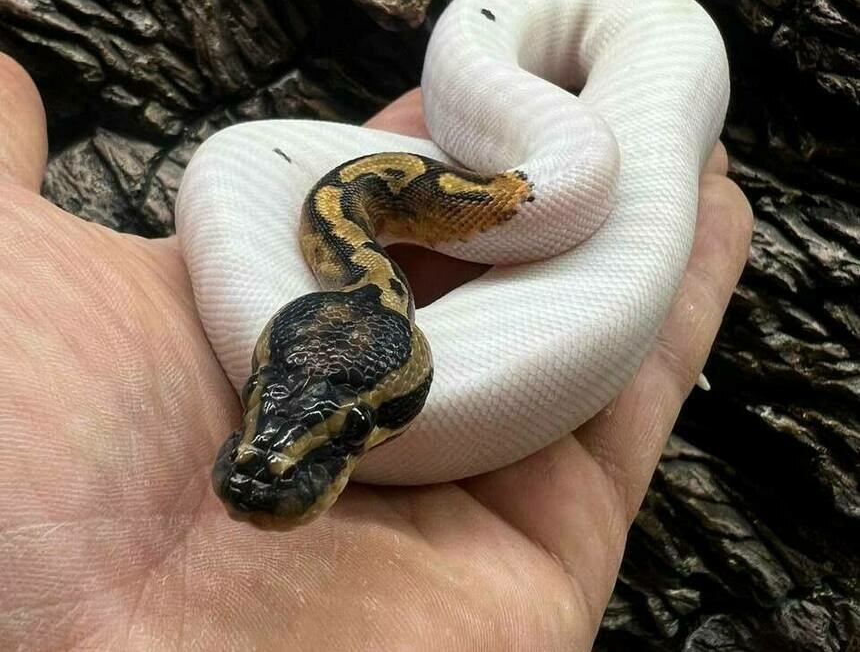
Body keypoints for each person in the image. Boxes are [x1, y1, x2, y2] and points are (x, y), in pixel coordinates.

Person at [0, 52, 752, 649]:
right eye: (268, 387)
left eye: (355, 428)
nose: (263, 458)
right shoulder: (340, 299)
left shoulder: (373, 276)